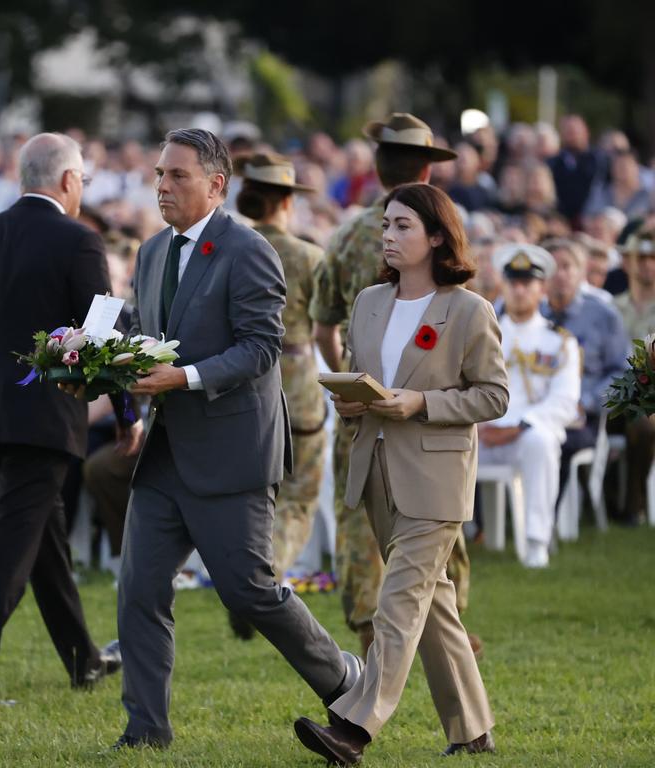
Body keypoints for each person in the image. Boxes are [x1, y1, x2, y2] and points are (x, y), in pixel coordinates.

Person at [113, 129, 360, 750]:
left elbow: (260, 346)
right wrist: (90, 368)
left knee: (247, 590)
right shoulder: (149, 253)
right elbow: (140, 331)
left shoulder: (247, 250)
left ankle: (346, 682)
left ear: (217, 185)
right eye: (159, 174)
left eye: (177, 176)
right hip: (166, 454)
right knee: (138, 590)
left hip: (232, 450)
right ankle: (146, 733)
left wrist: (183, 376)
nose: (162, 186)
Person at [294, 182, 507, 764]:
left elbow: (493, 396)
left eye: (403, 226)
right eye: (386, 224)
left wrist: (422, 403)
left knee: (400, 601)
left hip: (436, 479)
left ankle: (354, 727)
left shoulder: (469, 310)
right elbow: (359, 374)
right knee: (432, 603)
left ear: (437, 236)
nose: (388, 235)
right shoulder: (367, 302)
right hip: (377, 470)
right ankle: (473, 731)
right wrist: (352, 398)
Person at [0, 132, 121, 705]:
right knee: (11, 550)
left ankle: (83, 661)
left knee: (43, 541)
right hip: (42, 420)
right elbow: (102, 337)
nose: (82, 188)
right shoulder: (79, 243)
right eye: (82, 178)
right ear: (66, 180)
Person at [311, 113, 473, 657]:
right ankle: (444, 623)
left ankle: (369, 622)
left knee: (359, 514)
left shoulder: (348, 233)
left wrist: (355, 385)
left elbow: (321, 324)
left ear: (377, 164)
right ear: (429, 166)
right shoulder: (447, 231)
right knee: (437, 517)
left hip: (364, 408)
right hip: (434, 417)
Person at [227, 151, 327, 640]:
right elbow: (332, 324)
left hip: (239, 384)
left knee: (250, 494)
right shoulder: (310, 257)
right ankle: (265, 581)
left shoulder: (228, 248)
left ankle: (246, 580)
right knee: (298, 498)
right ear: (287, 200)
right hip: (300, 382)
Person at [479, 244, 581, 567]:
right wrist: (478, 424)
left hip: (525, 434)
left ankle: (536, 541)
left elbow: (565, 402)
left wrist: (518, 426)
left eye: (527, 283)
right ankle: (445, 543)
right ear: (503, 285)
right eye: (513, 282)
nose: (519, 290)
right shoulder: (482, 335)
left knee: (541, 442)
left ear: (542, 289)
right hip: (481, 431)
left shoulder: (559, 341)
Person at [540, 238, 628, 503]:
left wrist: (587, 402)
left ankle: (547, 523)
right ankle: (480, 527)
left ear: (581, 272)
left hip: (582, 416)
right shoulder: (530, 314)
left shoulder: (603, 315)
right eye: (553, 268)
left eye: (568, 266)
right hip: (535, 407)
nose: (561, 275)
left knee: (557, 442)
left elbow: (622, 373)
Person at [611, 228, 655, 524]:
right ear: (626, 262)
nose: (647, 264)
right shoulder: (610, 307)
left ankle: (633, 501)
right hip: (617, 392)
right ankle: (626, 500)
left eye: (653, 258)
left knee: (644, 422)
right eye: (641, 258)